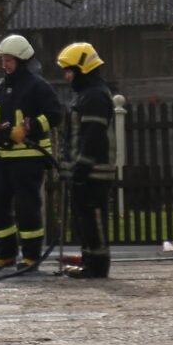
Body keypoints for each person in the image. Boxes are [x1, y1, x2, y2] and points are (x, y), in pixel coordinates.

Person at [0, 34, 62, 271]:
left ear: (22, 60)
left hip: (28, 157)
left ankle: (31, 257)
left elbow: (55, 115)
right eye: (3, 60)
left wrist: (30, 128)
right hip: (2, 156)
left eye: (9, 60)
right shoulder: (1, 86)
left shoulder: (37, 86)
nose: (5, 65)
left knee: (27, 208)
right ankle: (5, 254)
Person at [56, 42, 115, 278]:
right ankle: (89, 261)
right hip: (84, 171)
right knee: (84, 220)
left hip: (94, 172)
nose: (67, 76)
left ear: (82, 68)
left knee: (94, 217)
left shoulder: (94, 97)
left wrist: (82, 165)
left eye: (69, 70)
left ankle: (98, 265)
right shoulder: (86, 95)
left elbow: (93, 136)